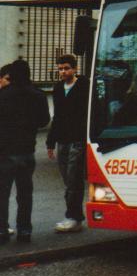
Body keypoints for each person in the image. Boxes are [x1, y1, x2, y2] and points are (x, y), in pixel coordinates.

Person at [0, 60, 50, 243]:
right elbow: (44, 120)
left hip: (5, 151)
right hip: (27, 149)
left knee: (2, 194)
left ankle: (2, 230)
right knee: (25, 193)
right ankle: (24, 230)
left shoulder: (3, 95)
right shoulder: (38, 95)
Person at [46, 54, 90, 234]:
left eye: (66, 68)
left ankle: (74, 217)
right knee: (67, 178)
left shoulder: (84, 86)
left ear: (75, 69)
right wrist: (50, 142)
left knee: (73, 179)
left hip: (77, 139)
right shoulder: (57, 88)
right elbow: (56, 116)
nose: (63, 72)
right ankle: (73, 216)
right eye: (60, 69)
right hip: (62, 140)